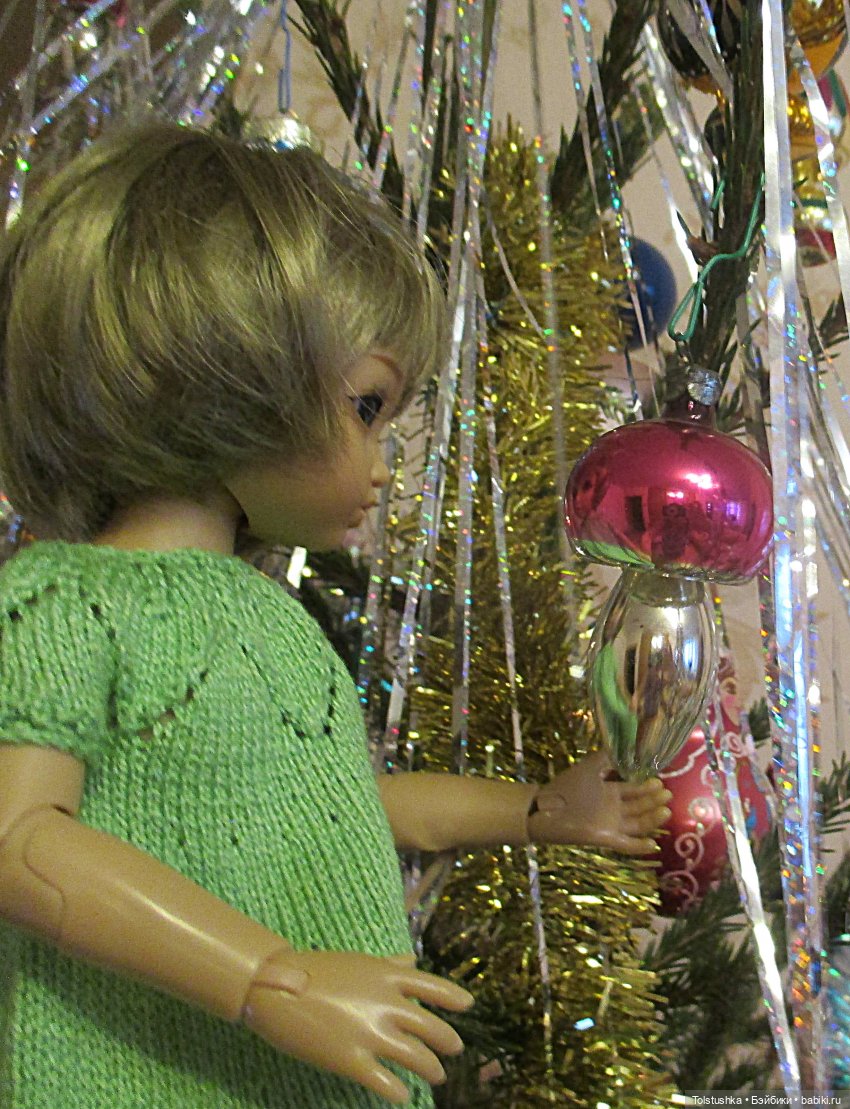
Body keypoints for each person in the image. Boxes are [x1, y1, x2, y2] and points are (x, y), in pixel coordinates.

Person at [0, 121, 671, 1109]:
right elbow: (18, 839)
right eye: (365, 407)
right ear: (225, 363)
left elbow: (339, 806)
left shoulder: (266, 616)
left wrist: (538, 811)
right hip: (145, 1073)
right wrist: (268, 978)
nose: (380, 465)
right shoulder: (67, 598)